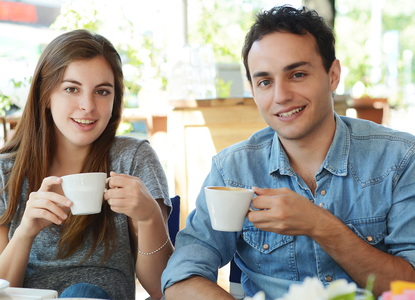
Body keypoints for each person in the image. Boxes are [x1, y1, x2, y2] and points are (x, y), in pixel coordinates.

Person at [161, 5, 415, 300]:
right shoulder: (233, 170)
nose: (280, 96)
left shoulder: (400, 159)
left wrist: (319, 225)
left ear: (332, 75)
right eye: (265, 81)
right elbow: (180, 278)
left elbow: (410, 285)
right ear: (253, 90)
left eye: (297, 74)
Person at [0, 29, 172, 300]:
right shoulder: (1, 174)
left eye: (102, 91)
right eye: (71, 89)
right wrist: (25, 232)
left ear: (115, 100)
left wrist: (149, 218)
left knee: (82, 293)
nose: (87, 106)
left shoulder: (132, 159)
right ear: (46, 94)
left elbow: (161, 288)